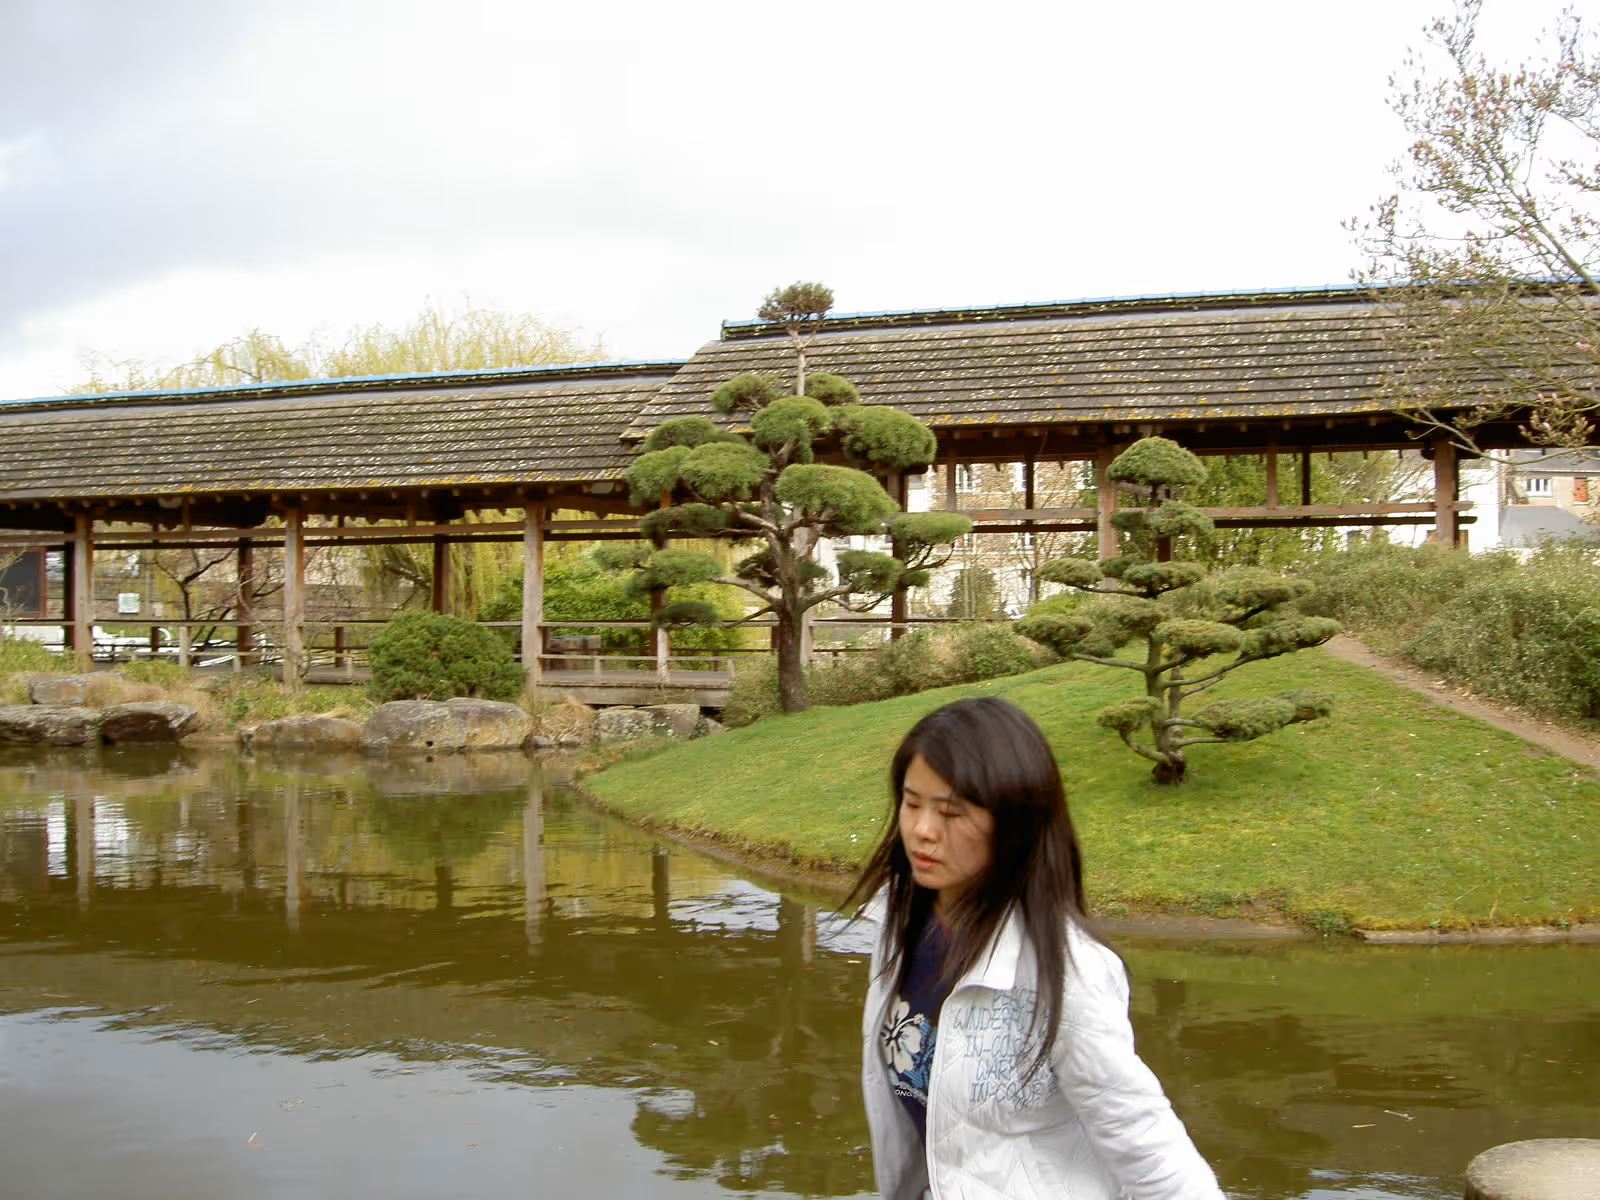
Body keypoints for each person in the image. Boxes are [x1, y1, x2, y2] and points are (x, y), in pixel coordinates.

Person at [846, 696, 1223, 1200]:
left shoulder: (1069, 972)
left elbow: (1152, 1151)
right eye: (912, 803)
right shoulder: (899, 919)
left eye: (951, 812)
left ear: (1014, 822)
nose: (922, 830)